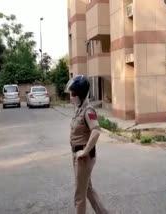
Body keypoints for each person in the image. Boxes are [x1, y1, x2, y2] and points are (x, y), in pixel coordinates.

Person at [65, 75, 108, 214]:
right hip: (78, 155)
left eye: (73, 93)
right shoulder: (79, 109)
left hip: (83, 157)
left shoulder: (88, 111)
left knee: (79, 195)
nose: (71, 96)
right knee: (88, 189)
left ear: (79, 94)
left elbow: (96, 131)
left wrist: (84, 152)